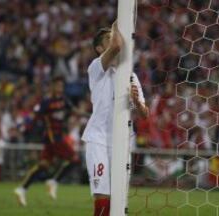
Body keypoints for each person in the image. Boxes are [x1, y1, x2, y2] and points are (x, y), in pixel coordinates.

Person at [81, 21, 148, 216]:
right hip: (98, 139)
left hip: (122, 142)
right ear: (99, 49)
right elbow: (118, 46)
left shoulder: (131, 76)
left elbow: (144, 114)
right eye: (108, 39)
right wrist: (118, 21)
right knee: (102, 193)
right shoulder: (96, 69)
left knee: (119, 197)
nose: (115, 41)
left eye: (114, 36)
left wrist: (135, 100)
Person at [14, 76, 79, 206]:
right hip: (54, 138)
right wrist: (24, 127)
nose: (60, 88)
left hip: (54, 139)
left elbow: (74, 111)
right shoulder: (46, 103)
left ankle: (22, 189)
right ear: (52, 87)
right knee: (75, 159)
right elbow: (35, 117)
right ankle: (53, 181)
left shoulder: (64, 101)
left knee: (43, 165)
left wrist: (91, 115)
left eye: (62, 86)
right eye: (58, 85)